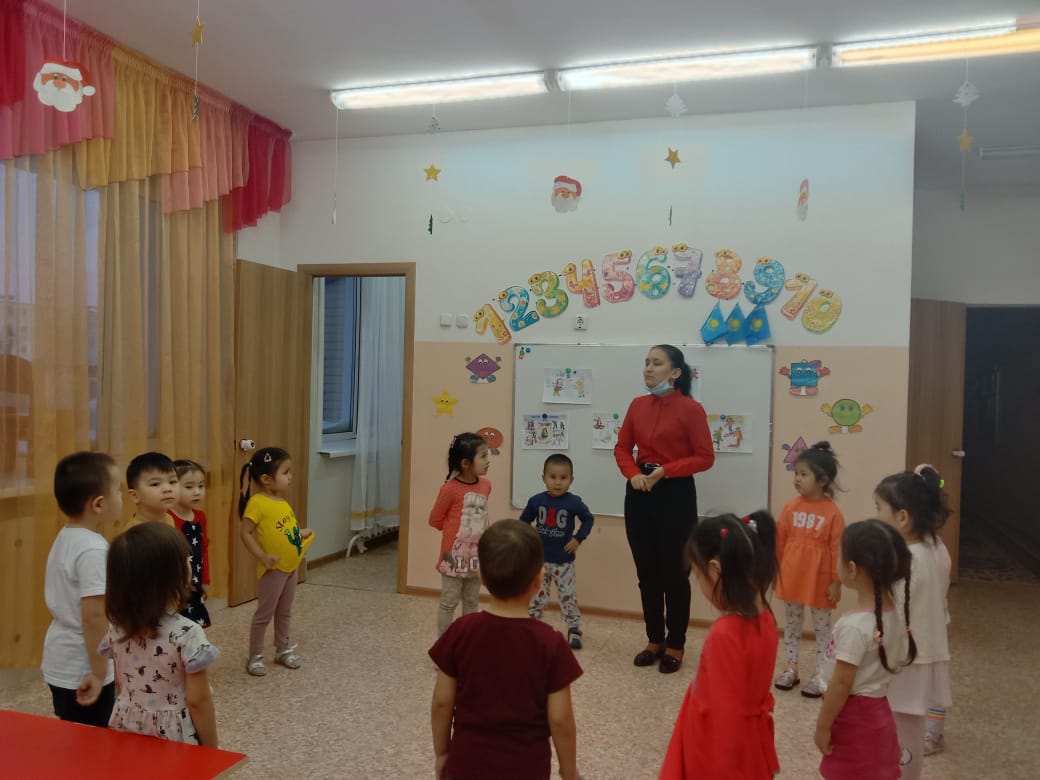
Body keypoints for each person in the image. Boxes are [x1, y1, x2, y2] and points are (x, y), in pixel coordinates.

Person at [430, 519, 582, 780]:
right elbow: (561, 719)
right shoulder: (551, 643)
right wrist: (569, 773)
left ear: (481, 575)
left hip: (466, 764)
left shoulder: (461, 631)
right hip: (526, 769)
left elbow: (442, 702)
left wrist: (443, 753)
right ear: (539, 580)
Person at [614, 344, 714, 673]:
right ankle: (654, 640)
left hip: (675, 493)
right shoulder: (637, 405)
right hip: (640, 492)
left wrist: (666, 471)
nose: (648, 368)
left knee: (674, 574)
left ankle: (675, 644)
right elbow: (622, 448)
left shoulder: (691, 409)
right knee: (647, 574)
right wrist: (632, 474)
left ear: (675, 372)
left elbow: (705, 457)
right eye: (646, 362)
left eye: (656, 363)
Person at [660, 512, 780, 779]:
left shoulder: (725, 633)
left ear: (715, 569)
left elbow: (725, 719)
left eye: (698, 575)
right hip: (748, 742)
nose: (701, 585)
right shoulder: (766, 617)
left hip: (717, 751)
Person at [815, 520, 918, 780]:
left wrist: (822, 726)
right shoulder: (891, 614)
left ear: (851, 569)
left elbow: (841, 684)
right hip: (878, 715)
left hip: (855, 721)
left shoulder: (855, 626)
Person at [101, 522, 219, 746]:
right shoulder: (188, 633)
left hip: (127, 723)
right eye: (186, 559)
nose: (190, 561)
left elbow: (120, 679)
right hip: (174, 735)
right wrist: (213, 749)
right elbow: (198, 701)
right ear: (171, 576)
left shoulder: (117, 628)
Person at [875, 465, 952, 780]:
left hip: (908, 657)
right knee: (908, 725)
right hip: (920, 652)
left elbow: (894, 612)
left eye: (879, 508)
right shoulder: (933, 547)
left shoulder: (909, 559)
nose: (876, 516)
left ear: (902, 517)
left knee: (903, 727)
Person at [42, 452, 123, 727]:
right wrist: (99, 673)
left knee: (73, 731)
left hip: (61, 658)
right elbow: (94, 617)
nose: (121, 496)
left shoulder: (68, 536)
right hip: (83, 666)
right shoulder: (93, 550)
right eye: (118, 490)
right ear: (99, 504)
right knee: (93, 738)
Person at [774, 441, 846, 697]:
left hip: (820, 580)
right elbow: (780, 542)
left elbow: (838, 550)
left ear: (823, 480)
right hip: (792, 576)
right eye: (796, 473)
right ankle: (791, 668)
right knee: (792, 624)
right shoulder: (790, 507)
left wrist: (837, 581)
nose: (797, 479)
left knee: (822, 629)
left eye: (804, 474)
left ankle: (820, 675)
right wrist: (777, 571)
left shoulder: (833, 513)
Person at [239, 447, 314, 676]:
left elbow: (286, 528)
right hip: (273, 570)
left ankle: (282, 649)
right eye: (286, 472)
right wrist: (262, 556)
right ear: (266, 479)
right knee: (264, 614)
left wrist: (300, 533)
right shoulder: (257, 503)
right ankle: (255, 656)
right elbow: (246, 532)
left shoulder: (282, 502)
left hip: (291, 567)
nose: (291, 476)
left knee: (284, 611)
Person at [521, 453, 594, 650]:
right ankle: (532, 628)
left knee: (567, 596)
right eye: (552, 477)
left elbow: (588, 519)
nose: (558, 482)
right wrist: (530, 537)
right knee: (536, 596)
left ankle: (574, 629)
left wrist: (578, 539)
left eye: (563, 478)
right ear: (543, 477)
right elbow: (523, 522)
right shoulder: (536, 501)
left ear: (571, 479)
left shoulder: (574, 502)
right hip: (539, 562)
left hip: (563, 562)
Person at [428, 432, 492, 636]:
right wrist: (453, 534)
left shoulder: (486, 485)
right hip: (453, 556)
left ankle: (467, 643)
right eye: (483, 456)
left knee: (471, 601)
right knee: (449, 602)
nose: (488, 460)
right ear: (465, 463)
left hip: (476, 556)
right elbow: (434, 520)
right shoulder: (449, 489)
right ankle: (444, 645)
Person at [169, 459, 211, 628]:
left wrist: (205, 579)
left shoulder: (201, 516)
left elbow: (204, 548)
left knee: (194, 625)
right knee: (175, 626)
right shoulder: (167, 518)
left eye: (201, 486)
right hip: (175, 584)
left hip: (195, 579)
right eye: (189, 487)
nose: (197, 492)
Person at [125, 451, 179, 527]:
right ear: (135, 496)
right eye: (155, 484)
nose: (167, 489)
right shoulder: (135, 531)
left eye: (172, 482)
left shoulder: (168, 518)